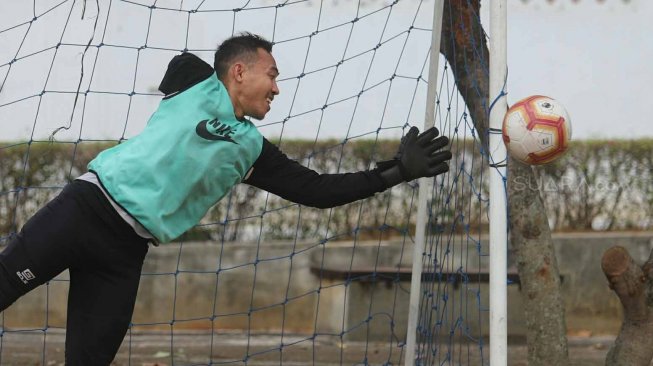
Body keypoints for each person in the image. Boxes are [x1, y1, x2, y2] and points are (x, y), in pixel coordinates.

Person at [0, 32, 452, 365]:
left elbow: (318, 191)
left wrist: (396, 172)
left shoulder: (251, 148)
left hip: (124, 253)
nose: (277, 87)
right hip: (83, 210)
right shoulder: (194, 81)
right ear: (239, 72)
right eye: (271, 75)